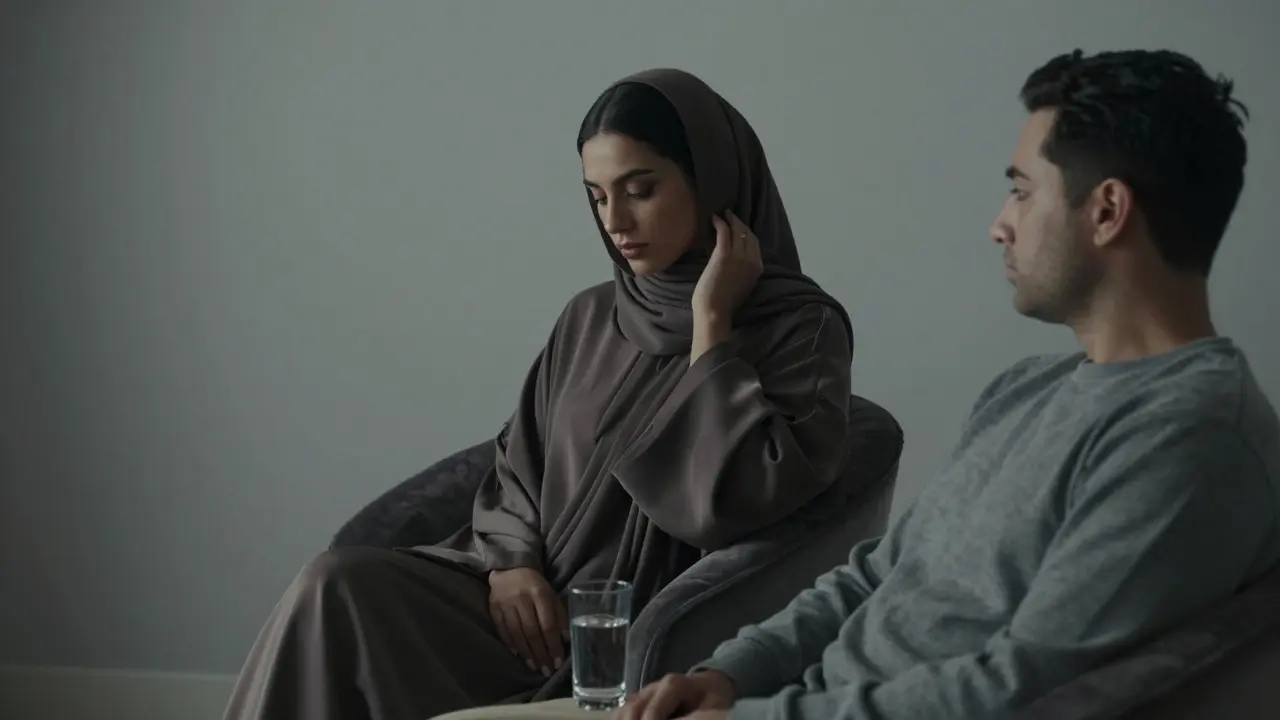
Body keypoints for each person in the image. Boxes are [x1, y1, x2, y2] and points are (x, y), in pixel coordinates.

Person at [431, 48, 1280, 720]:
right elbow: (875, 574)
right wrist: (726, 675)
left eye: (1022, 190)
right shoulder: (1030, 389)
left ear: (1106, 211)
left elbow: (1026, 688)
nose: (999, 222)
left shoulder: (1191, 437)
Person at [223, 68, 858, 720]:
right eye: (596, 196)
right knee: (336, 583)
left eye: (640, 190)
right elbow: (517, 462)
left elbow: (736, 499)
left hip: (632, 634)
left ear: (712, 180)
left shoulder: (801, 328)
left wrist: (711, 326)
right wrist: (510, 565)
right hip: (521, 606)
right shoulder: (590, 316)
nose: (615, 220)